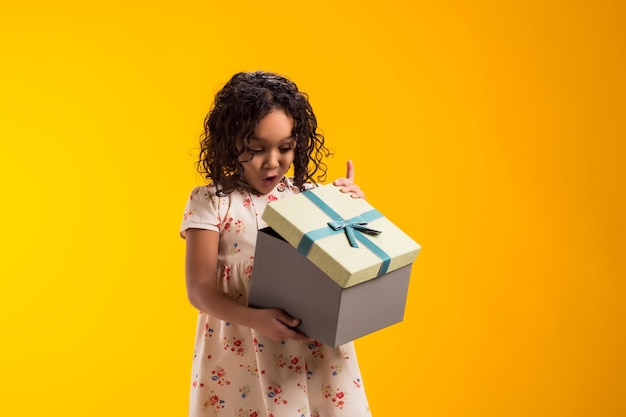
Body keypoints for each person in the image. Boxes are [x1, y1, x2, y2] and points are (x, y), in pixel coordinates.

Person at [180, 71, 371, 417]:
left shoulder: (309, 197)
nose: (272, 162)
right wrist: (255, 319)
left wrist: (350, 209)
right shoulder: (212, 202)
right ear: (230, 143)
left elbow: (347, 268)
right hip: (243, 359)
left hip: (316, 357)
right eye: (256, 149)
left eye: (285, 148)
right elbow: (199, 289)